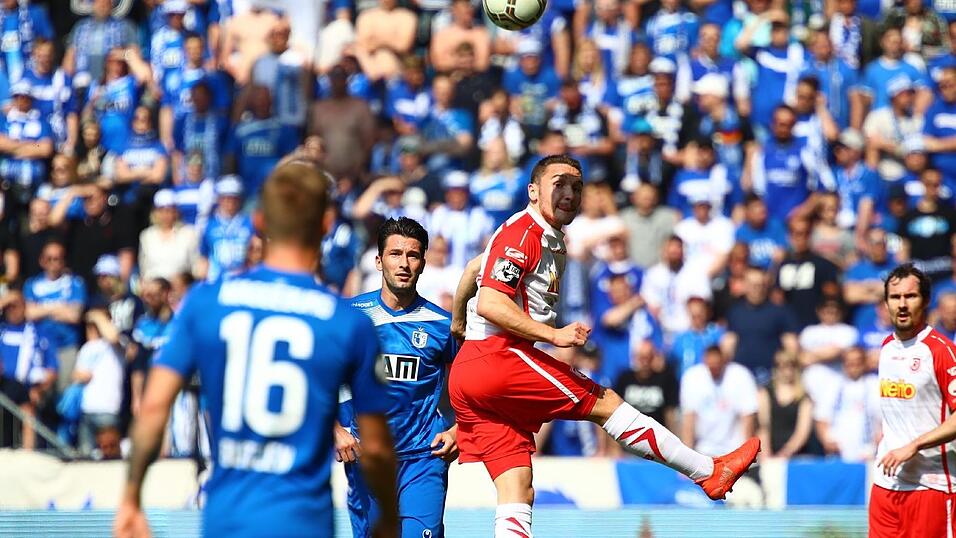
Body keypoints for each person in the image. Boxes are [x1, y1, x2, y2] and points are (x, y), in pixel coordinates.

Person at [449, 154, 759, 537]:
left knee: (517, 490)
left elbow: (472, 271)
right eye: (559, 184)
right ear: (533, 191)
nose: (569, 194)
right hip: (497, 358)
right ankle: (709, 472)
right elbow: (491, 302)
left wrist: (458, 322)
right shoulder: (524, 233)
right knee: (606, 403)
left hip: (472, 371)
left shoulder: (533, 233)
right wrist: (553, 335)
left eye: (577, 187)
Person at [113, 162, 400, 537]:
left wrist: (131, 499)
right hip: (302, 523)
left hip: (227, 521)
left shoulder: (206, 304)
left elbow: (153, 407)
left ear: (259, 222)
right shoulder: (347, 321)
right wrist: (391, 518)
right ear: (327, 224)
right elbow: (376, 447)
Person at [337, 217, 458, 538]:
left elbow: (475, 382)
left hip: (423, 458)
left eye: (413, 255)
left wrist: (463, 428)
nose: (404, 263)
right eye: (395, 254)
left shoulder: (442, 324)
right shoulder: (348, 317)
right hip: (367, 458)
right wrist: (334, 429)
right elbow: (315, 378)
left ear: (423, 262)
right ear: (378, 261)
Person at [870, 264, 956, 537]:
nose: (902, 305)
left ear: (926, 301)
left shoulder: (940, 351)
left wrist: (914, 445)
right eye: (895, 298)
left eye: (911, 296)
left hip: (931, 485)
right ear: (886, 304)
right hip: (886, 485)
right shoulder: (885, 348)